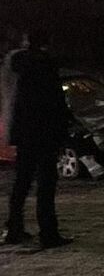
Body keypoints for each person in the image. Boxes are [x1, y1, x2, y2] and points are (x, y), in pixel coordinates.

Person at [4, 29, 73, 248]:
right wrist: (63, 126)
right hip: (45, 132)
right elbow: (54, 101)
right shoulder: (46, 66)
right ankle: (48, 232)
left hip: (25, 133)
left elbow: (15, 101)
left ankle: (14, 228)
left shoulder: (17, 65)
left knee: (22, 182)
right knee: (46, 184)